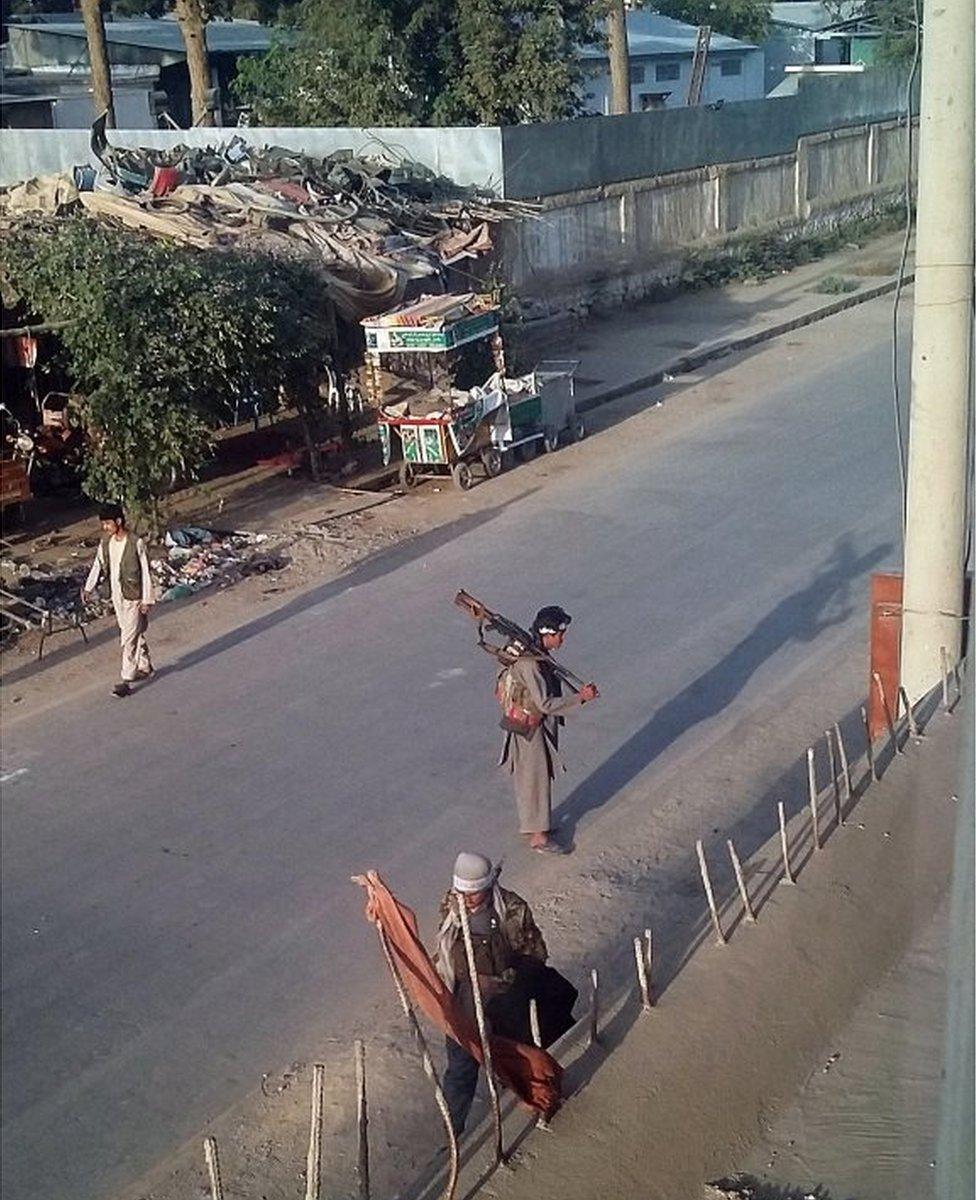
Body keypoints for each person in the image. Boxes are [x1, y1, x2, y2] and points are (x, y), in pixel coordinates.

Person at [434, 852, 575, 1136]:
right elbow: (445, 952)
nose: (466, 900)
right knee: (460, 1069)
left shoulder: (512, 910)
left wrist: (499, 981)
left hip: (505, 1002)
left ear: (488, 887)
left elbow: (535, 957)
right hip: (464, 1001)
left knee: (511, 1061)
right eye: (462, 893)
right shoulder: (450, 906)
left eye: (473, 894)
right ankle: (452, 1135)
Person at [498, 605, 598, 854]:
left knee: (533, 776)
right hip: (530, 727)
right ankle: (538, 837)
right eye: (559, 634)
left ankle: (536, 825)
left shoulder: (534, 654)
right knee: (535, 778)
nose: (562, 638)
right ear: (547, 633)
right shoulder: (530, 664)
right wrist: (580, 698)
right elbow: (545, 704)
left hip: (527, 725)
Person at [81, 504, 155, 697]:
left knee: (128, 638)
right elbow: (98, 565)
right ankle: (145, 666)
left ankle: (126, 679)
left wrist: (147, 599)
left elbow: (146, 572)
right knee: (132, 631)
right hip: (117, 595)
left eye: (107, 523)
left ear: (118, 522)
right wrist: (89, 587)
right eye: (103, 524)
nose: (105, 527)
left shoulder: (136, 543)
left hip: (134, 597)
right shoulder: (106, 542)